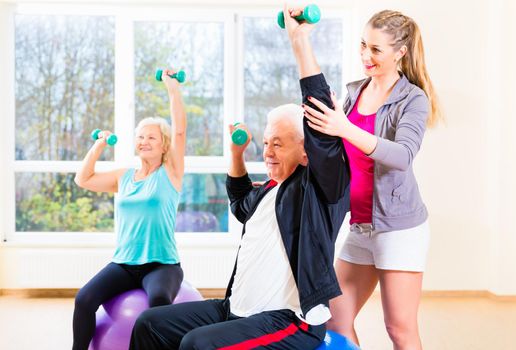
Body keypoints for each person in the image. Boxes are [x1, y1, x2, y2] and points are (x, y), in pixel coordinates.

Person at [128, 33, 350, 350]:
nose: (268, 152)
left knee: (197, 344)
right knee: (149, 323)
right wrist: (236, 154)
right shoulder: (271, 189)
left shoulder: (318, 191)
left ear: (306, 153)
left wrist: (299, 41)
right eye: (266, 143)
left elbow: (322, 132)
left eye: (279, 144)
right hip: (235, 310)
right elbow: (240, 204)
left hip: (288, 319)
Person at [286, 6, 442, 350]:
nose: (365, 56)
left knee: (399, 329)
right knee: (337, 320)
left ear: (400, 52)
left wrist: (345, 128)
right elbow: (342, 152)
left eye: (375, 49)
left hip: (399, 229)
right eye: (362, 45)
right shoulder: (354, 92)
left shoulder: (412, 99)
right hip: (360, 226)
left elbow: (402, 155)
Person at [72, 69, 187, 350]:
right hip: (124, 263)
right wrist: (99, 145)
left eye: (151, 137)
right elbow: (83, 179)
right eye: (140, 137)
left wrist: (171, 87)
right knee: (84, 299)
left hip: (162, 264)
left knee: (158, 303)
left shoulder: (170, 172)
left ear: (164, 146)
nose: (144, 141)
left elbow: (180, 127)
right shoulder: (124, 177)